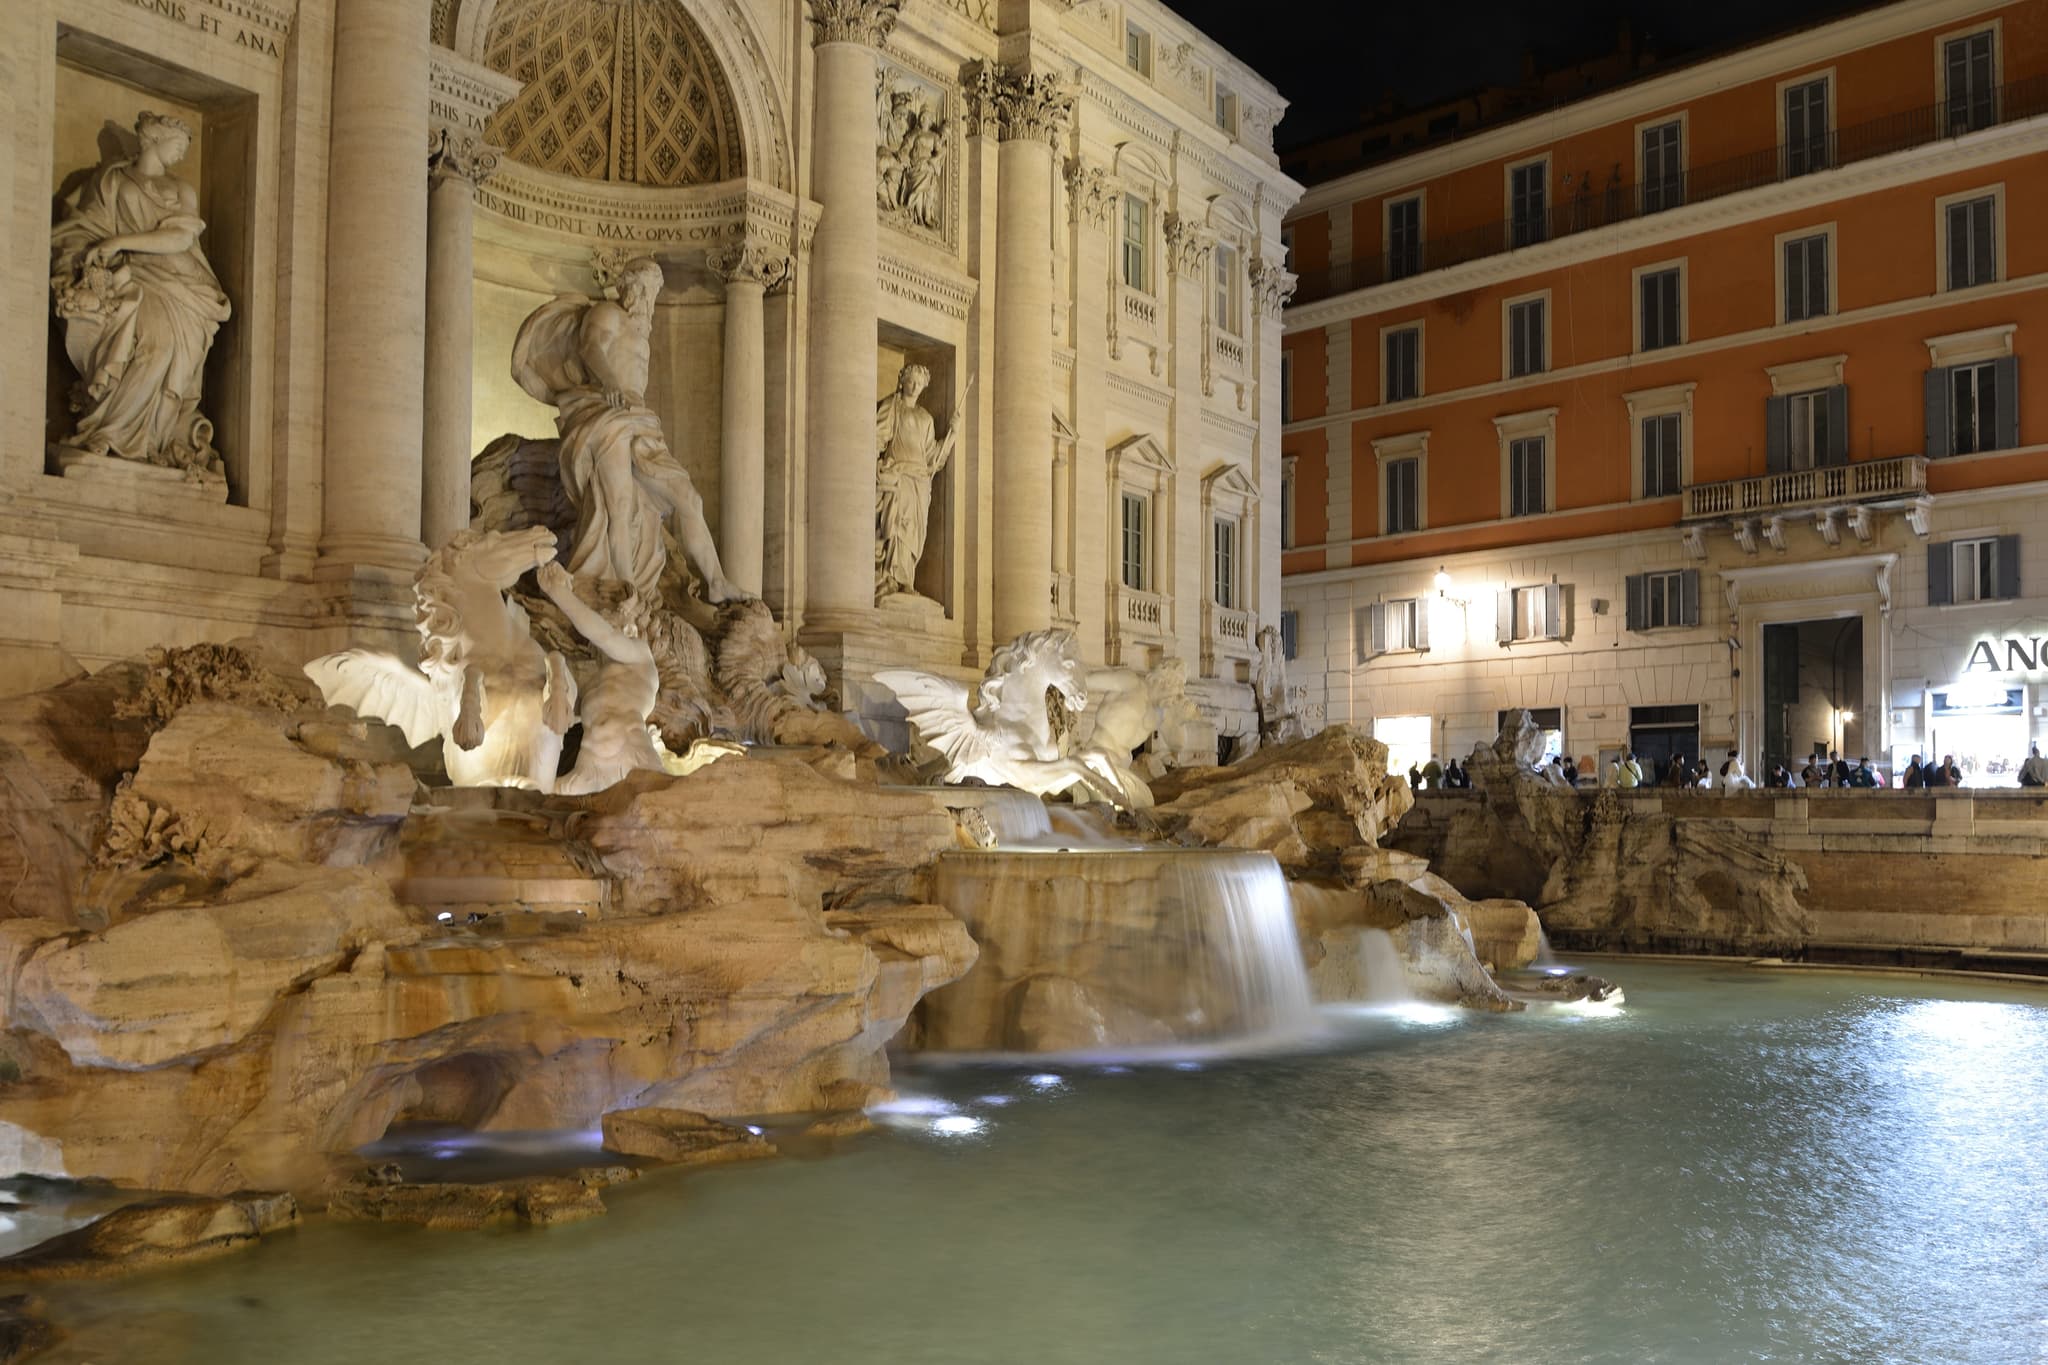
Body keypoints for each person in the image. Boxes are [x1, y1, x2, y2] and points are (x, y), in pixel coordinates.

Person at [511, 257, 747, 604]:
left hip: (639, 418)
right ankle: (625, 591)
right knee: (618, 506)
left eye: (651, 290)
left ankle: (716, 581)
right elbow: (590, 345)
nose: (645, 297)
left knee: (688, 499)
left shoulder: (641, 332)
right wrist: (608, 381)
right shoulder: (607, 313)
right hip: (605, 413)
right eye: (640, 288)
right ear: (625, 288)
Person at [49, 111, 233, 478]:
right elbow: (82, 226)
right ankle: (115, 434)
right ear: (152, 139)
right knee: (154, 343)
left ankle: (155, 441)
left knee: (175, 348)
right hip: (134, 276)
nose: (180, 155)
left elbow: (181, 237)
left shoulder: (182, 189)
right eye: (176, 145)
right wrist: (93, 255)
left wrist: (117, 241)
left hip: (180, 279)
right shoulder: (111, 181)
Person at [875, 363, 964, 600]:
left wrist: (953, 434)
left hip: (920, 481)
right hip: (899, 476)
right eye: (910, 381)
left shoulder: (925, 418)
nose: (914, 387)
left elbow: (934, 456)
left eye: (919, 383)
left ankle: (907, 579)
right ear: (902, 380)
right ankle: (892, 578)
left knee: (914, 530)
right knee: (898, 527)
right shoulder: (891, 408)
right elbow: (877, 437)